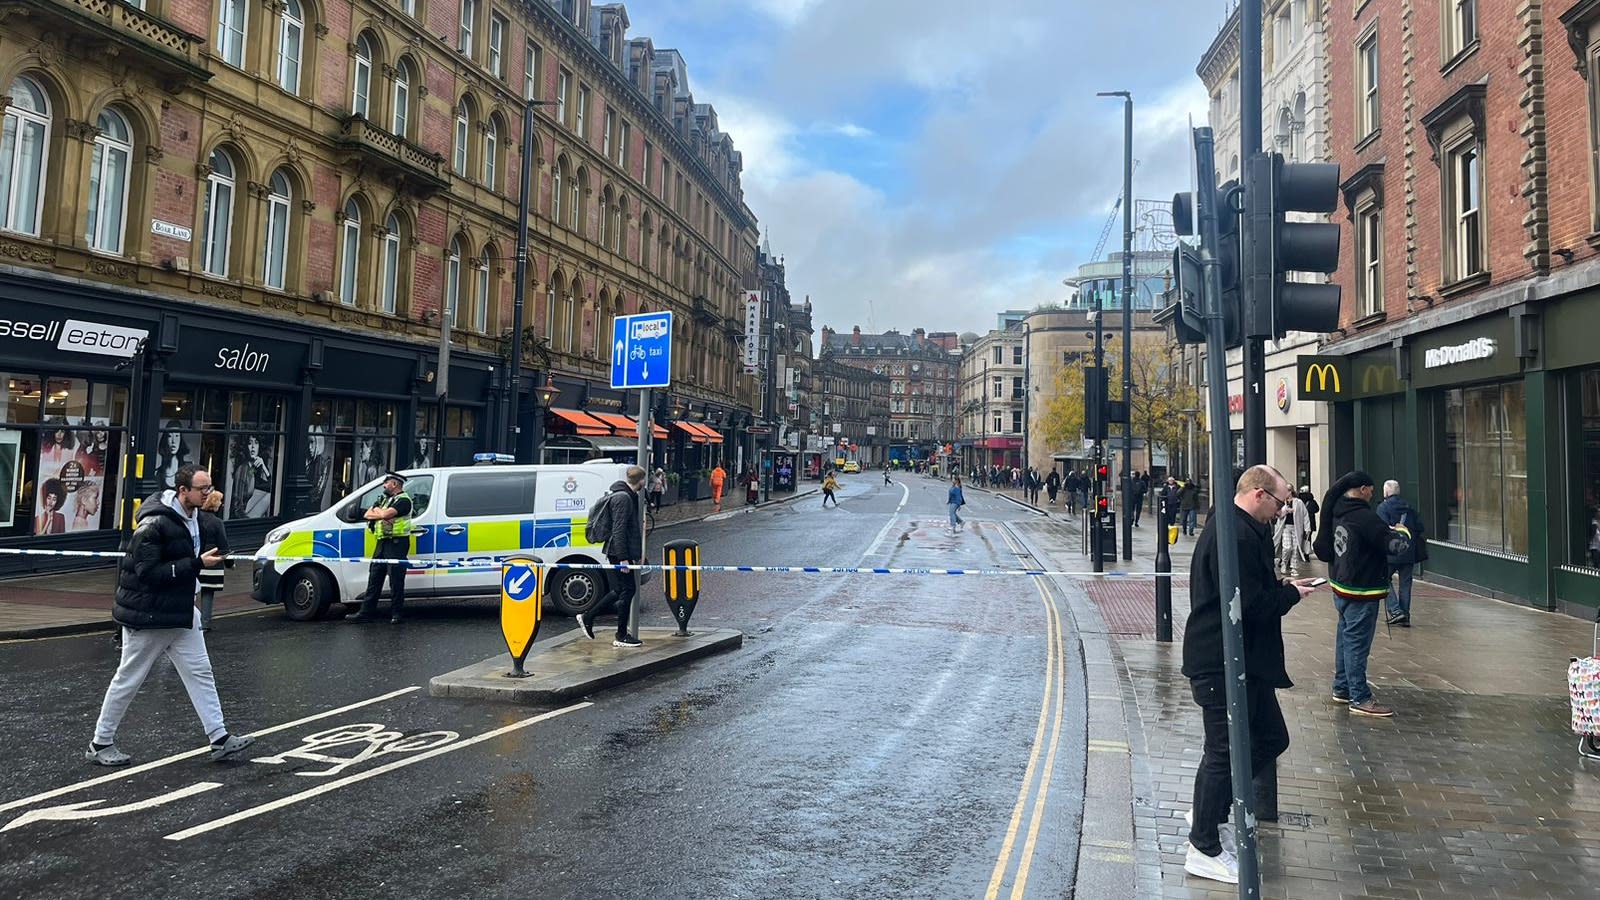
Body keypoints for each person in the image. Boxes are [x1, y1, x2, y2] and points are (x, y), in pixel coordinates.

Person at [1182, 465, 1316, 885]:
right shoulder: (1236, 535)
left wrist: (1285, 586)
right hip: (1219, 663)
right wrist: (1291, 594)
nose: (1282, 511)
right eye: (1280, 502)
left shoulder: (1239, 528)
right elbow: (1249, 604)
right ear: (1258, 494)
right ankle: (1202, 845)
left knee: (1271, 738)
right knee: (1222, 752)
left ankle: (1211, 806)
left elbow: (1249, 592)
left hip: (1243, 663)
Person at [86, 464, 255, 767]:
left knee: (200, 671)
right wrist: (196, 563)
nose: (209, 493)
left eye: (210, 486)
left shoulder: (196, 518)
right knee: (129, 678)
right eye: (202, 488)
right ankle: (100, 742)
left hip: (180, 611)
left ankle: (219, 737)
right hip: (149, 613)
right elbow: (148, 572)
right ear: (183, 491)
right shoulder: (153, 524)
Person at [1315, 471, 1412, 718]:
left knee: (1344, 639)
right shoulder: (1365, 517)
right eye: (1370, 488)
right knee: (1357, 644)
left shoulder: (1339, 512)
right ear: (1361, 490)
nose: (1373, 493)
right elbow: (1395, 545)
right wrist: (1402, 532)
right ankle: (1360, 697)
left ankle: (1342, 687)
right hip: (1362, 590)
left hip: (1341, 586)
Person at [576, 465, 647, 648]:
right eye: (644, 480)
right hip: (617, 552)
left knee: (620, 589)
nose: (644, 483)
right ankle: (620, 635)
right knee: (628, 590)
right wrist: (623, 558)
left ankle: (589, 616)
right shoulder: (623, 499)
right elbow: (619, 529)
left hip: (617, 551)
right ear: (640, 480)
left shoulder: (623, 495)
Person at [346, 472, 416, 624]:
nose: (384, 486)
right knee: (374, 578)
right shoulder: (384, 499)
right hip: (382, 543)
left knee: (396, 581)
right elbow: (367, 514)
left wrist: (380, 513)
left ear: (394, 484)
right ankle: (366, 613)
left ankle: (396, 614)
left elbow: (384, 514)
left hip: (397, 544)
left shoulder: (404, 501)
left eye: (386, 483)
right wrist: (381, 514)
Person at [1377, 479, 1427, 627]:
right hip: (1408, 551)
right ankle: (1405, 615)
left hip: (1390, 552)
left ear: (1386, 492)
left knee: (1382, 579)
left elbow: (1380, 529)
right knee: (1405, 584)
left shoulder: (1382, 508)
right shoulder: (1409, 508)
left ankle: (1395, 610)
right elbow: (1420, 527)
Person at [197, 488, 230, 631]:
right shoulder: (217, 522)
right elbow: (223, 545)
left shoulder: (195, 518)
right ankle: (204, 623)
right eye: (220, 501)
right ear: (214, 503)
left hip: (195, 559)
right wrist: (230, 563)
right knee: (208, 593)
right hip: (212, 562)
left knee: (189, 591)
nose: (221, 504)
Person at [1274, 491, 1310, 577]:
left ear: (1291, 492)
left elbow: (1305, 514)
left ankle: (1294, 568)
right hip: (1285, 527)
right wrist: (1285, 510)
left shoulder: (1299, 502)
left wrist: (1307, 527)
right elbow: (1277, 515)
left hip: (1296, 528)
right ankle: (1284, 563)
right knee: (1287, 547)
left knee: (1295, 548)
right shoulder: (1282, 502)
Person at [155, 421, 190, 491]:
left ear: (181, 439)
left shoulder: (188, 471)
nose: (173, 441)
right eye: (170, 436)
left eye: (177, 436)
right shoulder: (158, 473)